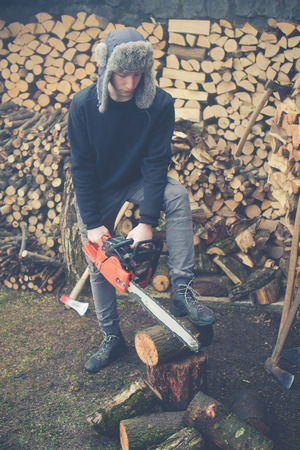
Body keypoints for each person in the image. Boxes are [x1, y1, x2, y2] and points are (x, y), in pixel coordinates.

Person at [68, 27, 217, 374]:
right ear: (107, 68)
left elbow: (155, 161)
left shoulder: (159, 103)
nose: (131, 83)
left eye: (138, 74)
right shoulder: (83, 105)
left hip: (137, 180)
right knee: (98, 260)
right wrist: (92, 224)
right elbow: (81, 166)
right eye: (123, 73)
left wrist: (146, 221)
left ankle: (182, 290)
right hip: (99, 186)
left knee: (177, 195)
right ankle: (111, 336)